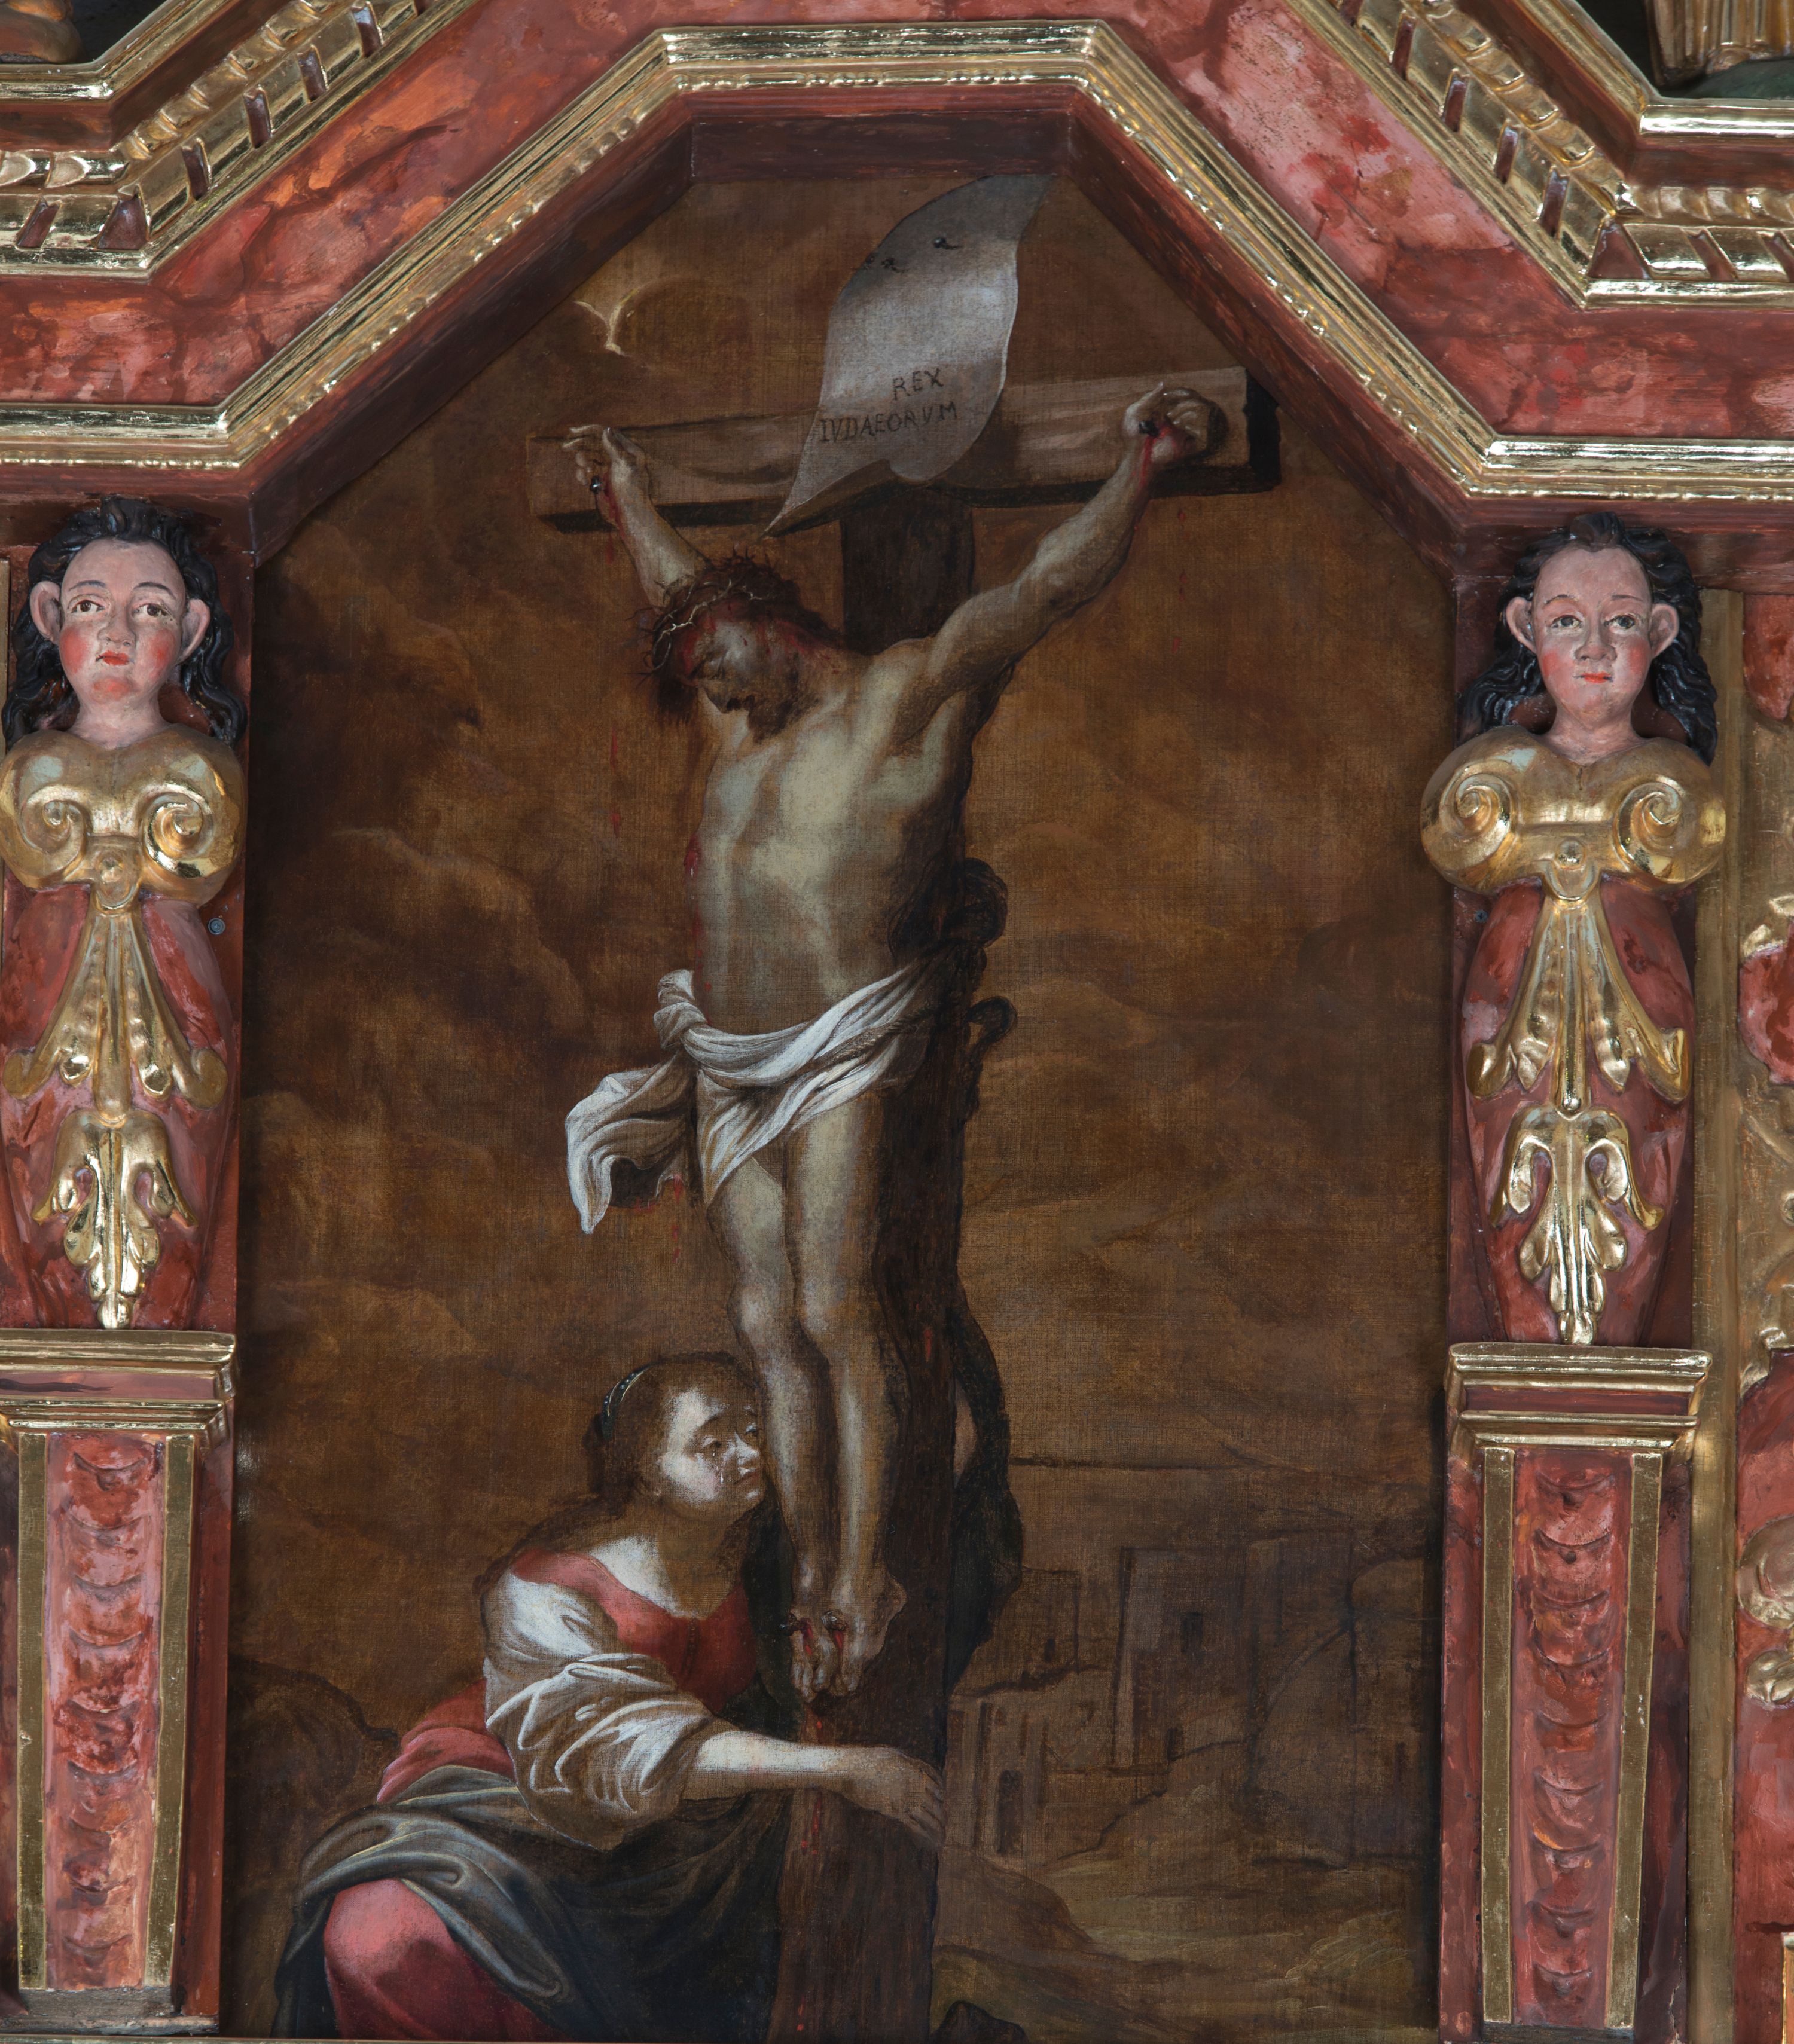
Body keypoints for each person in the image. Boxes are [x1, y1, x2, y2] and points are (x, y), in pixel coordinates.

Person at [563, 385, 1215, 1697]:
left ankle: (863, 1571)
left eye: (718, 661)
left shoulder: (906, 698)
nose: (713, 693)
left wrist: (1144, 464)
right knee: (764, 1319)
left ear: (767, 619)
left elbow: (1043, 590)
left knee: (833, 1305)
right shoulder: (736, 708)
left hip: (845, 1043)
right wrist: (626, 498)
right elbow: (682, 592)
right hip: (729, 1057)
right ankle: (809, 1561)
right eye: (698, 676)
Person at [274, 1353, 944, 2043]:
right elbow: (616, 1748)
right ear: (648, 1469)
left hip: (667, 1836)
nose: (749, 1452)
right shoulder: (542, 1589)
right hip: (512, 1795)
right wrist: (843, 1767)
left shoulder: (769, 1561)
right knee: (388, 1937)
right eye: (714, 1441)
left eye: (753, 1429)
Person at [1421, 512, 1723, 1346]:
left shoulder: (1670, 784)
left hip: (1639, 998)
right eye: (1565, 623)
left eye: (1620, 621)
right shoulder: (1497, 779)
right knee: (1510, 1139)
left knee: (1638, 1147)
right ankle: (1537, 1338)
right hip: (1513, 998)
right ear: (1525, 628)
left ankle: (1609, 1339)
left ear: (1660, 633)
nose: (1595, 648)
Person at [0, 497, 245, 1328]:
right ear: (48, 617)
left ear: (195, 629)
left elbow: (200, 865)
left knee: (178, 1125)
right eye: (89, 606)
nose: (117, 634)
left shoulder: (200, 767)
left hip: (172, 990)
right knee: (38, 1120)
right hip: (47, 988)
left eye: (152, 611)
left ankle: (152, 1316)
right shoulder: (30, 766)